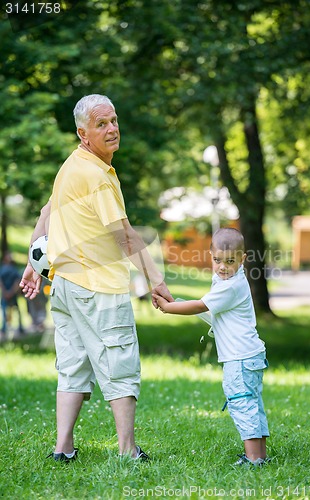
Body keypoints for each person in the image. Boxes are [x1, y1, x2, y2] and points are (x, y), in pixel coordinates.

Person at [20, 94, 173, 463]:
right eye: (101, 124)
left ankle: (63, 448)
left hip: (65, 289)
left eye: (114, 121)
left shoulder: (72, 165)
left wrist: (31, 262)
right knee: (119, 366)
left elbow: (47, 210)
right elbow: (126, 237)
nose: (112, 129)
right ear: (83, 133)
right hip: (99, 289)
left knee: (72, 366)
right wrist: (156, 281)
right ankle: (126, 450)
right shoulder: (96, 177)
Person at [153, 227, 270, 466]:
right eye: (217, 260)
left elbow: (201, 306)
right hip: (249, 354)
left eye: (229, 261)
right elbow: (212, 312)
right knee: (252, 402)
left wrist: (168, 308)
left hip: (240, 358)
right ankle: (259, 455)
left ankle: (254, 458)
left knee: (241, 402)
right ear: (210, 255)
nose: (222, 266)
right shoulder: (226, 279)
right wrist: (177, 302)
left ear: (242, 259)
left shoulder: (231, 286)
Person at [0, 251, 24, 342]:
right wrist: (7, 292)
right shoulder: (5, 269)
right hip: (8, 294)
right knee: (6, 312)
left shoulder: (11, 269)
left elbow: (17, 281)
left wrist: (10, 292)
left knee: (15, 311)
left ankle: (19, 327)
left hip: (10, 294)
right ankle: (5, 328)